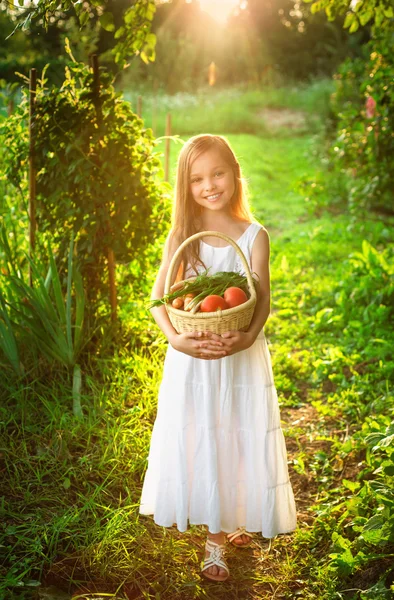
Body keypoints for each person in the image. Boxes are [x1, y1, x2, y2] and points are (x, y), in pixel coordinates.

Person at [139, 134, 297, 582]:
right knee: (206, 432)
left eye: (218, 173)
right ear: (186, 187)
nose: (209, 185)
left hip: (239, 357)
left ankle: (234, 513)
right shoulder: (182, 236)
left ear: (235, 174)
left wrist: (246, 339)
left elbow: (261, 300)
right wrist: (176, 339)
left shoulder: (254, 236)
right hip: (194, 359)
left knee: (237, 432)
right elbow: (157, 300)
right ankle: (214, 538)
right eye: (197, 179)